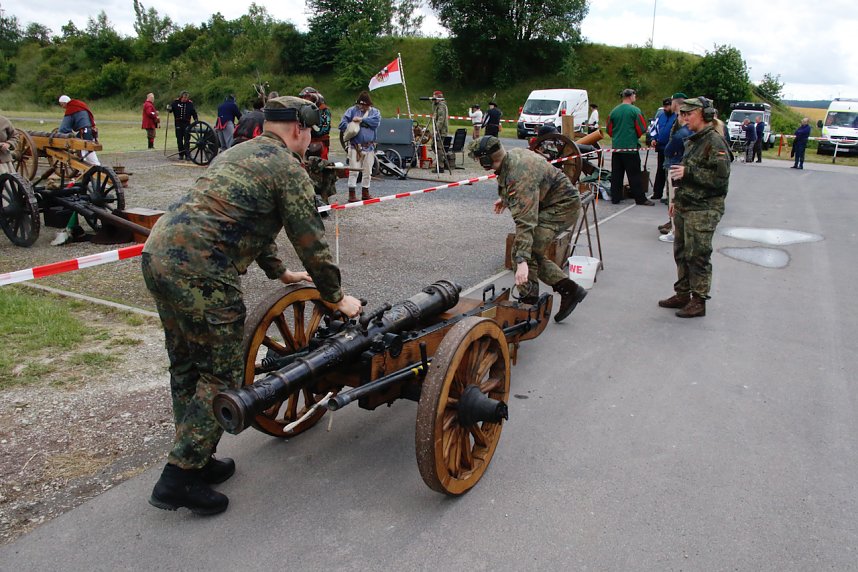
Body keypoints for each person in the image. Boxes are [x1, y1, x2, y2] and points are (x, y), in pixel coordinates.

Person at [142, 96, 363, 515]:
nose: (312, 139)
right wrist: (336, 296)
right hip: (203, 269)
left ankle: (195, 456)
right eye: (311, 131)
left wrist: (279, 273)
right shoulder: (288, 169)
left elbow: (248, 221)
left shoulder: (238, 152)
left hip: (158, 256)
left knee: (186, 365)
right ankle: (179, 477)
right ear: (299, 129)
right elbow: (310, 240)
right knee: (222, 372)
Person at [468, 135, 587, 323]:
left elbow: (526, 221)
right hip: (550, 203)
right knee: (527, 251)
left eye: (479, 160)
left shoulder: (519, 178)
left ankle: (528, 305)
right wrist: (506, 198)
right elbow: (527, 187)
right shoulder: (511, 158)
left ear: (486, 160)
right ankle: (569, 290)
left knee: (524, 252)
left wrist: (522, 261)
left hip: (562, 208)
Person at [659, 97, 731, 318]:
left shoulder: (715, 142)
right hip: (686, 204)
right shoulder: (693, 140)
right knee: (681, 253)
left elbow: (720, 180)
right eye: (682, 114)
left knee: (698, 255)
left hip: (704, 208)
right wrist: (675, 201)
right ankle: (682, 294)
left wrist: (689, 173)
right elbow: (684, 174)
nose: (684, 119)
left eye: (688, 114)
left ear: (703, 115)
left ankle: (699, 301)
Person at [606, 88, 653, 206]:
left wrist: (617, 137)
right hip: (630, 148)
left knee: (616, 175)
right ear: (631, 96)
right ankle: (640, 199)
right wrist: (635, 136)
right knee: (634, 175)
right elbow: (641, 128)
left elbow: (609, 130)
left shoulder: (614, 111)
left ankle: (615, 198)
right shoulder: (635, 110)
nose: (635, 97)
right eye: (634, 95)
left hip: (617, 148)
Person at [338, 91, 381, 203]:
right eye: (361, 104)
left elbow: (376, 122)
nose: (362, 107)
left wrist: (361, 120)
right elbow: (342, 124)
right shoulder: (352, 111)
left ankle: (365, 193)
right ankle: (352, 194)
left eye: (364, 105)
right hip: (355, 147)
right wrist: (352, 125)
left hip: (369, 147)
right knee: (354, 171)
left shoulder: (375, 112)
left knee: (368, 171)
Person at [658, 110, 693, 243]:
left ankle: (674, 231)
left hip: (676, 167)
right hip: (686, 168)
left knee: (674, 200)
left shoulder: (681, 133)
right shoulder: (695, 132)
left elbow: (668, 150)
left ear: (683, 116)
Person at [58, 94, 100, 166]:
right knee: (89, 150)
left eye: (62, 105)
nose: (62, 107)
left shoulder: (71, 109)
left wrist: (60, 134)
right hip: (91, 130)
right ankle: (96, 166)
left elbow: (64, 127)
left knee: (83, 153)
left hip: (84, 132)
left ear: (64, 103)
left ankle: (91, 167)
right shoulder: (81, 105)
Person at [650, 97, 678, 201]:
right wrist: (653, 138)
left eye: (668, 106)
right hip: (661, 148)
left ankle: (670, 195)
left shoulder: (677, 117)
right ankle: (657, 192)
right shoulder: (661, 116)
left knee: (670, 172)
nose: (666, 108)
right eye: (665, 106)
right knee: (660, 170)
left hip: (671, 149)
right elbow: (654, 128)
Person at [299, 87, 332, 159]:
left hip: (320, 144)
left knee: (321, 163)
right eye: (304, 97)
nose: (305, 99)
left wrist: (311, 127)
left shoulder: (324, 111)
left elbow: (323, 130)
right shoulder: (302, 111)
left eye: (308, 97)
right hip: (305, 144)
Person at [169, 91, 198, 160]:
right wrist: (169, 108)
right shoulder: (175, 102)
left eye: (186, 97)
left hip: (187, 123)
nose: (185, 99)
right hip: (178, 123)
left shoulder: (190, 104)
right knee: (179, 139)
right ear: (181, 97)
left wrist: (196, 120)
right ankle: (181, 154)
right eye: (184, 97)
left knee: (187, 139)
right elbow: (170, 110)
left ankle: (187, 154)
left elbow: (194, 113)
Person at [431, 90, 451, 171]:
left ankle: (440, 165)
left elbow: (441, 119)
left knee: (438, 147)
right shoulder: (437, 105)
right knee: (434, 146)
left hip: (441, 130)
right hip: (439, 129)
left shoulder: (441, 106)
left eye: (434, 97)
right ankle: (441, 161)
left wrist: (436, 129)